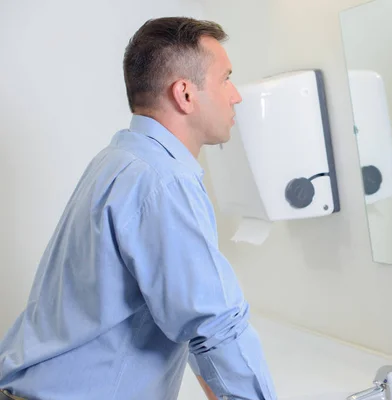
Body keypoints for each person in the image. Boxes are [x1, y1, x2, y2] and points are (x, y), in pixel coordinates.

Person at [0, 17, 276, 400]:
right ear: (185, 94)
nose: (236, 95)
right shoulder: (163, 181)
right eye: (225, 78)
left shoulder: (119, 159)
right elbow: (215, 325)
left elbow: (185, 312)